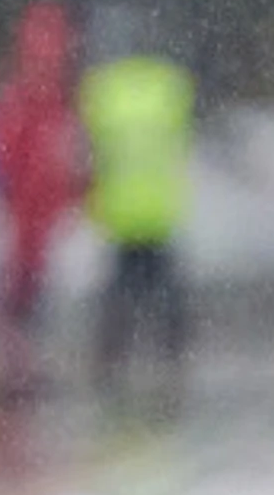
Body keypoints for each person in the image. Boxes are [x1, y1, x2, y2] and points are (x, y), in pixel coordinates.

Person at [76, 26, 199, 402]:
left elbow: (89, 154)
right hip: (157, 213)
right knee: (163, 300)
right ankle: (171, 363)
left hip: (120, 215)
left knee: (120, 301)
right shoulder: (170, 88)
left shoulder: (102, 90)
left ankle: (111, 365)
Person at [0, 1, 85, 396]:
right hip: (22, 226)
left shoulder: (57, 105)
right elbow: (3, 166)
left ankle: (23, 373)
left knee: (31, 302)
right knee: (15, 301)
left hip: (43, 227)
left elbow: (68, 165)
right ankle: (15, 376)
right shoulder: (18, 106)